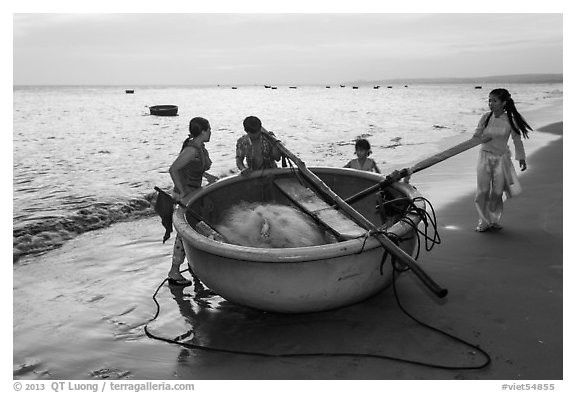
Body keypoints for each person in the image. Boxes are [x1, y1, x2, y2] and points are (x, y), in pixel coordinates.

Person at [472, 88, 531, 232]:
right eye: (489, 100)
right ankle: (484, 221)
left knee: (497, 192)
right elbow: (476, 135)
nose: (490, 104)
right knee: (483, 191)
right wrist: (478, 138)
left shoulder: (510, 120)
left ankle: (494, 219)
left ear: (503, 103)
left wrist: (521, 158)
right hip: (484, 158)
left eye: (494, 101)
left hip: (501, 160)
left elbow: (517, 140)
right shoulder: (485, 118)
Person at [167, 117, 214, 286]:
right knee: (183, 234)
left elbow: (193, 168)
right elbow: (173, 170)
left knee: (193, 229)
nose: (211, 132)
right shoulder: (192, 149)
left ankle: (192, 266)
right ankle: (174, 271)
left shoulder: (199, 147)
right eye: (209, 129)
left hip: (194, 193)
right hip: (184, 196)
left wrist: (208, 176)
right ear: (202, 131)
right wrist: (183, 190)